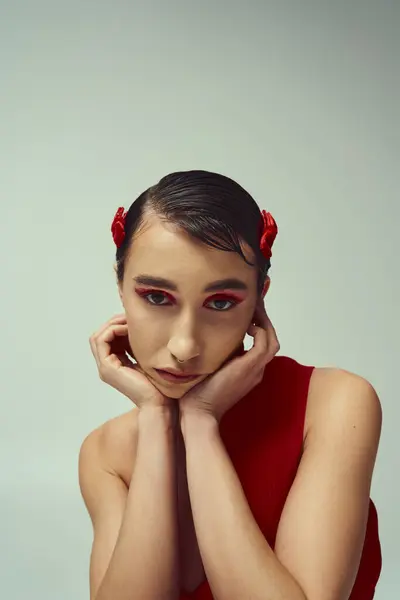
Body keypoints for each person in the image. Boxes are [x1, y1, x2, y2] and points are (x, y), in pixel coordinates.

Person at [79, 170, 382, 600]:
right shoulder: (105, 453)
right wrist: (156, 419)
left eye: (220, 303)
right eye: (156, 297)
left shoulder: (335, 404)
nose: (184, 346)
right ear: (122, 289)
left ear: (259, 301)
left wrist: (201, 422)